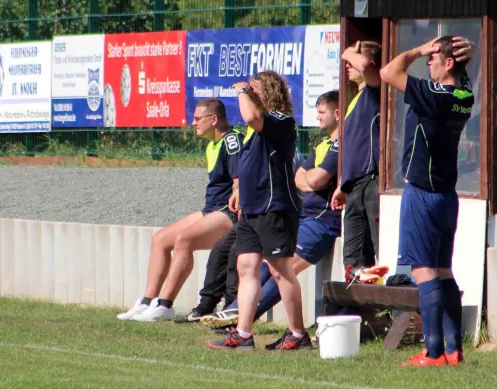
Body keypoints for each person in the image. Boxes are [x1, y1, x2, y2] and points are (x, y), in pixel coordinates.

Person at [201, 90, 342, 334]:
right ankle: (237, 317)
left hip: (321, 221)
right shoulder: (322, 144)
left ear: (337, 114)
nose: (317, 117)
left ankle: (271, 327)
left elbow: (315, 180)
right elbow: (299, 176)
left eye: (321, 112)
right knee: (256, 265)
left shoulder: (341, 144)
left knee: (281, 270)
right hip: (304, 217)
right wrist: (309, 178)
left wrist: (310, 178)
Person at [379, 36, 475, 367]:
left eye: (433, 58)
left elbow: (388, 71)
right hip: (447, 196)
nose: (427, 62)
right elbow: (462, 79)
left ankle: (433, 352)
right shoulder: (465, 96)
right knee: (444, 271)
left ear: (449, 63)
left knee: (422, 271)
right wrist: (465, 62)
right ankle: (453, 350)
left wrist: (418, 49)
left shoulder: (434, 95)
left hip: (422, 192)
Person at [117, 98, 244, 322]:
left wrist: (239, 196)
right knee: (161, 239)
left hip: (229, 213)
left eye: (197, 119)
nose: (192, 123)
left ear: (213, 120)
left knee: (184, 240)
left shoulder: (231, 140)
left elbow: (239, 179)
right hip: (212, 209)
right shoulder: (211, 145)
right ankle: (147, 302)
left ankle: (165, 305)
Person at [207, 70, 303, 351]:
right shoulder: (255, 131)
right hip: (252, 210)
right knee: (246, 266)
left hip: (274, 209)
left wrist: (240, 91)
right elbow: (252, 167)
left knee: (280, 270)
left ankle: (297, 334)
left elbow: (251, 117)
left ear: (267, 93)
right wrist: (238, 192)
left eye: (253, 89)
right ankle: (243, 334)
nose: (248, 93)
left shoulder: (280, 121)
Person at [175, 141, 304, 325]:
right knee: (221, 247)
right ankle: (206, 304)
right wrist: (239, 191)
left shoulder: (284, 150)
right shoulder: (254, 146)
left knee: (242, 255)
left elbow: (277, 184)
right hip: (252, 215)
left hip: (274, 215)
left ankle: (231, 308)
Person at [330, 40, 382, 280]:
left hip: (371, 180)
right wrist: (342, 184)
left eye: (353, 60)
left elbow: (372, 74)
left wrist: (348, 51)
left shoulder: (375, 91)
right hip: (354, 185)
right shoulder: (354, 98)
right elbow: (353, 146)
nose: (347, 64)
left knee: (378, 247)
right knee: (352, 258)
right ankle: (361, 309)